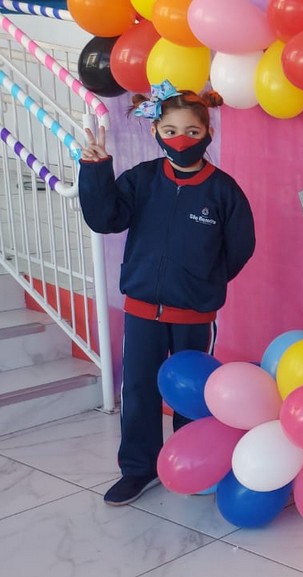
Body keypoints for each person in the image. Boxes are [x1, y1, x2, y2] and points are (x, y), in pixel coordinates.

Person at [78, 80, 256, 506]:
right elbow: (105, 219)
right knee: (139, 391)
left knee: (191, 393)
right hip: (141, 311)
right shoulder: (142, 179)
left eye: (192, 132)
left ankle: (191, 462)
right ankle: (138, 469)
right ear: (156, 131)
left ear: (208, 133)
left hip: (194, 315)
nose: (181, 140)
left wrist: (202, 283)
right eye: (171, 131)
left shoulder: (224, 191)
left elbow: (240, 248)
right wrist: (96, 170)